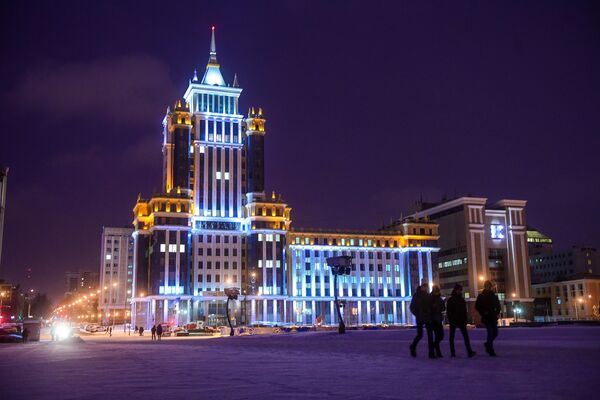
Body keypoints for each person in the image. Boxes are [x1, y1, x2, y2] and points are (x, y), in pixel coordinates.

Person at [446, 284, 475, 358]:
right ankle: (453, 352)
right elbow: (449, 312)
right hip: (455, 321)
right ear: (456, 290)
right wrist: (451, 320)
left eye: (460, 290)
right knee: (453, 337)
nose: (460, 291)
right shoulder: (452, 300)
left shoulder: (460, 299)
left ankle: (469, 352)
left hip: (461, 321)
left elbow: (464, 311)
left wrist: (465, 320)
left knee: (464, 337)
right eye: (459, 290)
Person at [475, 280, 501, 356]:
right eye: (487, 286)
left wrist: (497, 313)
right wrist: (483, 312)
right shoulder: (481, 296)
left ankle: (487, 344)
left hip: (493, 317)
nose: (489, 287)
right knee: (490, 333)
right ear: (485, 287)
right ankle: (490, 350)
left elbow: (498, 306)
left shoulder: (494, 296)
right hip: (486, 317)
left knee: (495, 333)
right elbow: (477, 306)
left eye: (489, 286)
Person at [409, 282, 434, 358]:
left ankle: (431, 353)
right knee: (420, 335)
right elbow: (412, 307)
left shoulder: (428, 295)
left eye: (426, 286)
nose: (425, 288)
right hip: (420, 318)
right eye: (424, 286)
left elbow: (431, 306)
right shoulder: (417, 296)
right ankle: (413, 346)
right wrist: (417, 314)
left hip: (427, 318)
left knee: (430, 336)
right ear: (421, 286)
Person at [430, 285, 445, 358]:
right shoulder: (430, 298)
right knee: (437, 336)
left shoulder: (439, 298)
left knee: (441, 336)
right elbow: (429, 309)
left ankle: (433, 346)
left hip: (438, 319)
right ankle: (438, 352)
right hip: (433, 320)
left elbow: (443, 308)